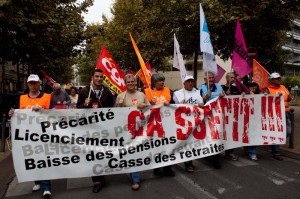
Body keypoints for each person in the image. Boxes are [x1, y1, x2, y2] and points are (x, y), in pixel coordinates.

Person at [8, 74, 53, 199]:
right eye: (30, 83)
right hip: (27, 135)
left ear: (39, 83)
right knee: (32, 159)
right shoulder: (22, 98)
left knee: (43, 160)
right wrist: (11, 113)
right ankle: (37, 181)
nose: (33, 85)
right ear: (28, 84)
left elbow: (56, 114)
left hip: (44, 134)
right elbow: (16, 113)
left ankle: (46, 187)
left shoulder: (47, 97)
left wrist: (44, 111)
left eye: (35, 83)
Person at [76, 69, 114, 193]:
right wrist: (84, 105)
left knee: (102, 153)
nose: (99, 79)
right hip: (89, 129)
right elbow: (77, 110)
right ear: (92, 77)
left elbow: (111, 111)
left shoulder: (107, 92)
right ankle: (96, 180)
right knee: (93, 154)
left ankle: (101, 174)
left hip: (103, 129)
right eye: (97, 76)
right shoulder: (84, 91)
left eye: (101, 77)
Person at [114, 74, 149, 190]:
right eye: (128, 82)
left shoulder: (142, 95)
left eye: (132, 81)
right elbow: (115, 114)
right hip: (127, 131)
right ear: (125, 83)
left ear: (135, 82)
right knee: (131, 153)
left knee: (140, 152)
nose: (130, 83)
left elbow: (150, 109)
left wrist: (145, 106)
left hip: (141, 129)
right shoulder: (121, 96)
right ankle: (135, 178)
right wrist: (118, 105)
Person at [144, 73, 175, 176]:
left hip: (167, 123)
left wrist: (170, 104)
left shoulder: (168, 90)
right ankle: (156, 167)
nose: (162, 82)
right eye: (159, 81)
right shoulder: (147, 92)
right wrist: (149, 104)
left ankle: (168, 168)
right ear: (153, 83)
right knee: (156, 147)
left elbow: (175, 104)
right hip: (154, 125)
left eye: (162, 80)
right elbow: (142, 107)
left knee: (167, 147)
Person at [173, 75, 204, 173]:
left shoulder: (197, 92)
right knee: (186, 144)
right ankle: (188, 164)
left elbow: (202, 105)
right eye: (188, 81)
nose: (190, 83)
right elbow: (174, 107)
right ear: (184, 83)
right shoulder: (178, 94)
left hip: (196, 121)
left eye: (192, 81)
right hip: (183, 123)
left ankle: (189, 161)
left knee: (193, 144)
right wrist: (181, 104)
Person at [264, 72, 292, 161]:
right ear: (272, 80)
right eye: (276, 78)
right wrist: (276, 97)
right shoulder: (267, 89)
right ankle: (276, 152)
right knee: (278, 133)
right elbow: (265, 100)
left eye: (279, 78)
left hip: (286, 113)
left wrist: (289, 96)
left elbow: (289, 98)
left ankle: (273, 144)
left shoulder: (283, 87)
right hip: (276, 114)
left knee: (288, 132)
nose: (278, 80)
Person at [199, 71, 224, 169]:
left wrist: (224, 96)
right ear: (205, 79)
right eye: (209, 78)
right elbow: (199, 102)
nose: (211, 79)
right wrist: (205, 98)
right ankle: (213, 158)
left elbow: (224, 97)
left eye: (212, 77)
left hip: (219, 115)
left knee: (217, 136)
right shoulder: (201, 88)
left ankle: (215, 158)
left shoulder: (219, 86)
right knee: (211, 136)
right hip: (207, 116)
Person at [221, 72, 241, 161]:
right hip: (223, 115)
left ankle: (229, 152)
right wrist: (225, 95)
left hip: (233, 115)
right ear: (227, 78)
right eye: (232, 77)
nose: (233, 79)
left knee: (232, 134)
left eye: (234, 77)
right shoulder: (221, 88)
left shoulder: (236, 88)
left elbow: (239, 99)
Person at [244, 82, 261, 161]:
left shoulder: (260, 95)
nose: (253, 90)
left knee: (256, 136)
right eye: (251, 88)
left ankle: (249, 149)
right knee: (252, 136)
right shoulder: (245, 94)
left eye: (255, 88)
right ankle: (252, 153)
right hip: (247, 119)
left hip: (257, 119)